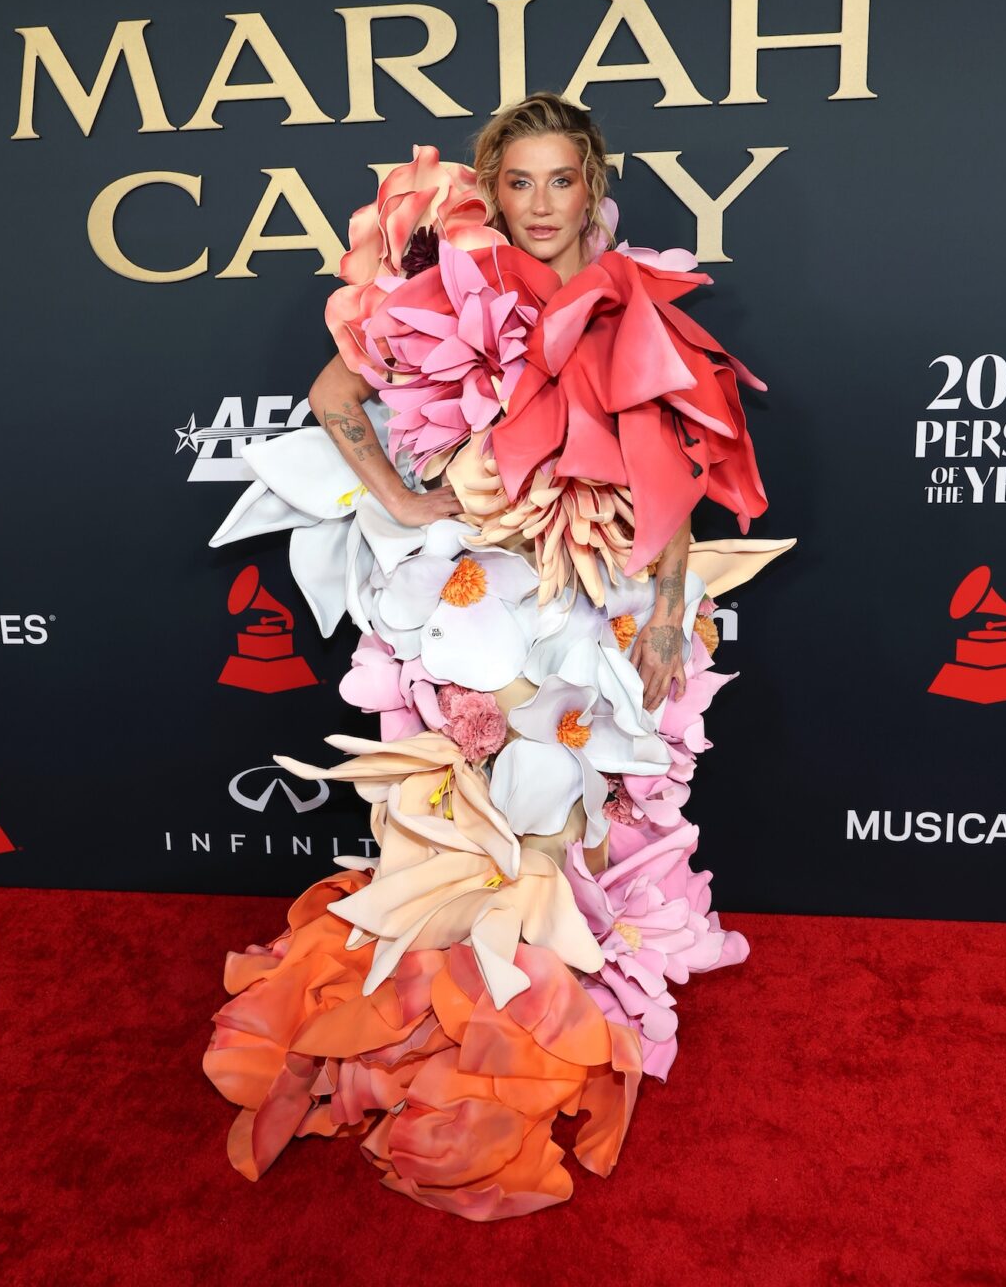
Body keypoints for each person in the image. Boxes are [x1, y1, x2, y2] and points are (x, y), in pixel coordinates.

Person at [202, 91, 796, 1219]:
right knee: (479, 814)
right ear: (492, 189)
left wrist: (668, 616)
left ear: (591, 185)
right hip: (473, 601)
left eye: (558, 180)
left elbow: (677, 472)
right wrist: (404, 496)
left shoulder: (633, 306)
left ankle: (538, 1011)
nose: (537, 204)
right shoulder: (440, 296)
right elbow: (335, 393)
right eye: (515, 182)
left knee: (564, 811)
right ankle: (469, 1021)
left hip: (589, 593)